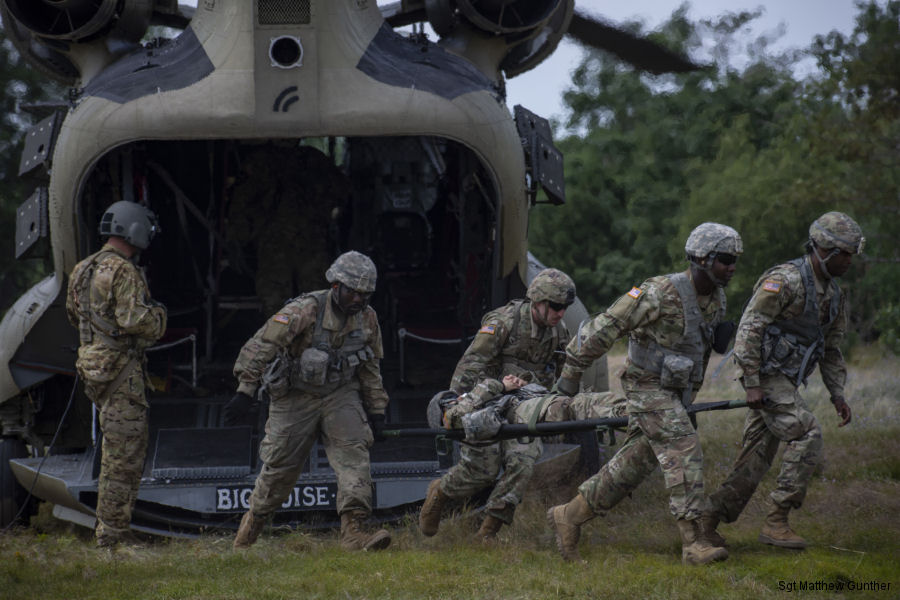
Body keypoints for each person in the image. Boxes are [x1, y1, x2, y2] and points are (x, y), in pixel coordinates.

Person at [546, 223, 742, 565]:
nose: (732, 267)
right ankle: (693, 542)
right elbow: (604, 327)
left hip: (676, 392)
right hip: (646, 387)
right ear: (701, 259)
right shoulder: (659, 293)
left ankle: (570, 515)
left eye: (735, 260)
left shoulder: (716, 299)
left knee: (633, 465)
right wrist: (569, 377)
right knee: (683, 446)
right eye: (726, 259)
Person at [701, 212, 863, 550]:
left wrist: (838, 394)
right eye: (844, 253)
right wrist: (752, 382)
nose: (850, 260)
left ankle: (705, 521)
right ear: (822, 249)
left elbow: (830, 349)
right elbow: (750, 327)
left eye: (852, 253)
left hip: (784, 382)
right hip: (768, 377)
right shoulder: (785, 281)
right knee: (807, 432)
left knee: (754, 461)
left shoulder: (833, 297)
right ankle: (777, 520)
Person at [227, 251, 392, 551]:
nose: (357, 299)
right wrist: (244, 390)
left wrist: (377, 409)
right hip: (295, 397)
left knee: (354, 457)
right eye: (352, 292)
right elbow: (263, 344)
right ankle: (249, 533)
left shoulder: (367, 319)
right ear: (336, 287)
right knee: (279, 469)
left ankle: (354, 531)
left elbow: (370, 366)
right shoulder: (305, 309)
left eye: (364, 294)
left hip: (339, 394)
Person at [418, 268, 575, 542]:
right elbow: (470, 365)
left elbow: (565, 375)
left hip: (524, 406)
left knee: (522, 462)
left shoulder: (559, 334)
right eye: (556, 306)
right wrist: (455, 406)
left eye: (565, 308)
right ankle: (439, 493)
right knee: (482, 471)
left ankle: (488, 532)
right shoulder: (504, 322)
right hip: (487, 402)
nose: (561, 313)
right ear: (537, 301)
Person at [66, 201, 167, 548]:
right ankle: (112, 534)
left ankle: (113, 527)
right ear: (135, 230)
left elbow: (73, 315)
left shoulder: (82, 268)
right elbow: (136, 322)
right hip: (121, 370)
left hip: (94, 369)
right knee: (124, 453)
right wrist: (159, 318)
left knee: (114, 447)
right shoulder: (123, 270)